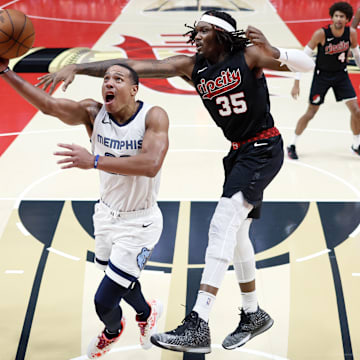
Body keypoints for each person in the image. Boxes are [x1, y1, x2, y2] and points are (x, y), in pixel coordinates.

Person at [37, 10, 314, 353]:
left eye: (203, 31)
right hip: (239, 152)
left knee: (221, 227)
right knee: (238, 233)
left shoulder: (250, 56)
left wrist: (276, 50)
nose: (195, 36)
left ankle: (198, 322)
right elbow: (133, 65)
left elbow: (307, 65)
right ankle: (253, 313)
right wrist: (79, 68)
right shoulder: (191, 66)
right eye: (194, 31)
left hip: (263, 146)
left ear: (221, 34)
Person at [0, 59, 169, 358]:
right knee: (120, 281)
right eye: (105, 78)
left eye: (118, 79)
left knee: (104, 301)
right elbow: (50, 106)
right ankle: (146, 313)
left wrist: (93, 161)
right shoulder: (94, 113)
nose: (109, 83)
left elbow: (151, 165)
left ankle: (113, 331)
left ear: (134, 89)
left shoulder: (153, 117)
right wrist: (5, 72)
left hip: (139, 223)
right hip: (105, 215)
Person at [288, 1, 360, 160]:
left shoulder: (351, 33)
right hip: (322, 76)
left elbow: (356, 54)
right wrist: (296, 82)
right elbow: (302, 57)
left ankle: (356, 145)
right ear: (332, 17)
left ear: (347, 19)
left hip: (341, 75)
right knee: (311, 112)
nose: (339, 19)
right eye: (336, 16)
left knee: (356, 111)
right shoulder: (321, 34)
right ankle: (292, 144)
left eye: (342, 16)